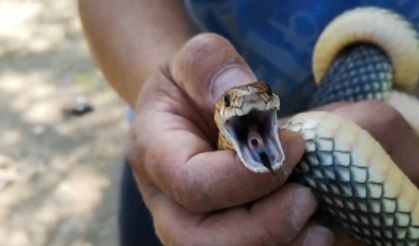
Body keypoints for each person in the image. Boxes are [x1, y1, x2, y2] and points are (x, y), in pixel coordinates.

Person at [78, 1, 419, 245]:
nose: (245, 98)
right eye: (231, 100)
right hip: (181, 165)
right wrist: (164, 92)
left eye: (259, 96)